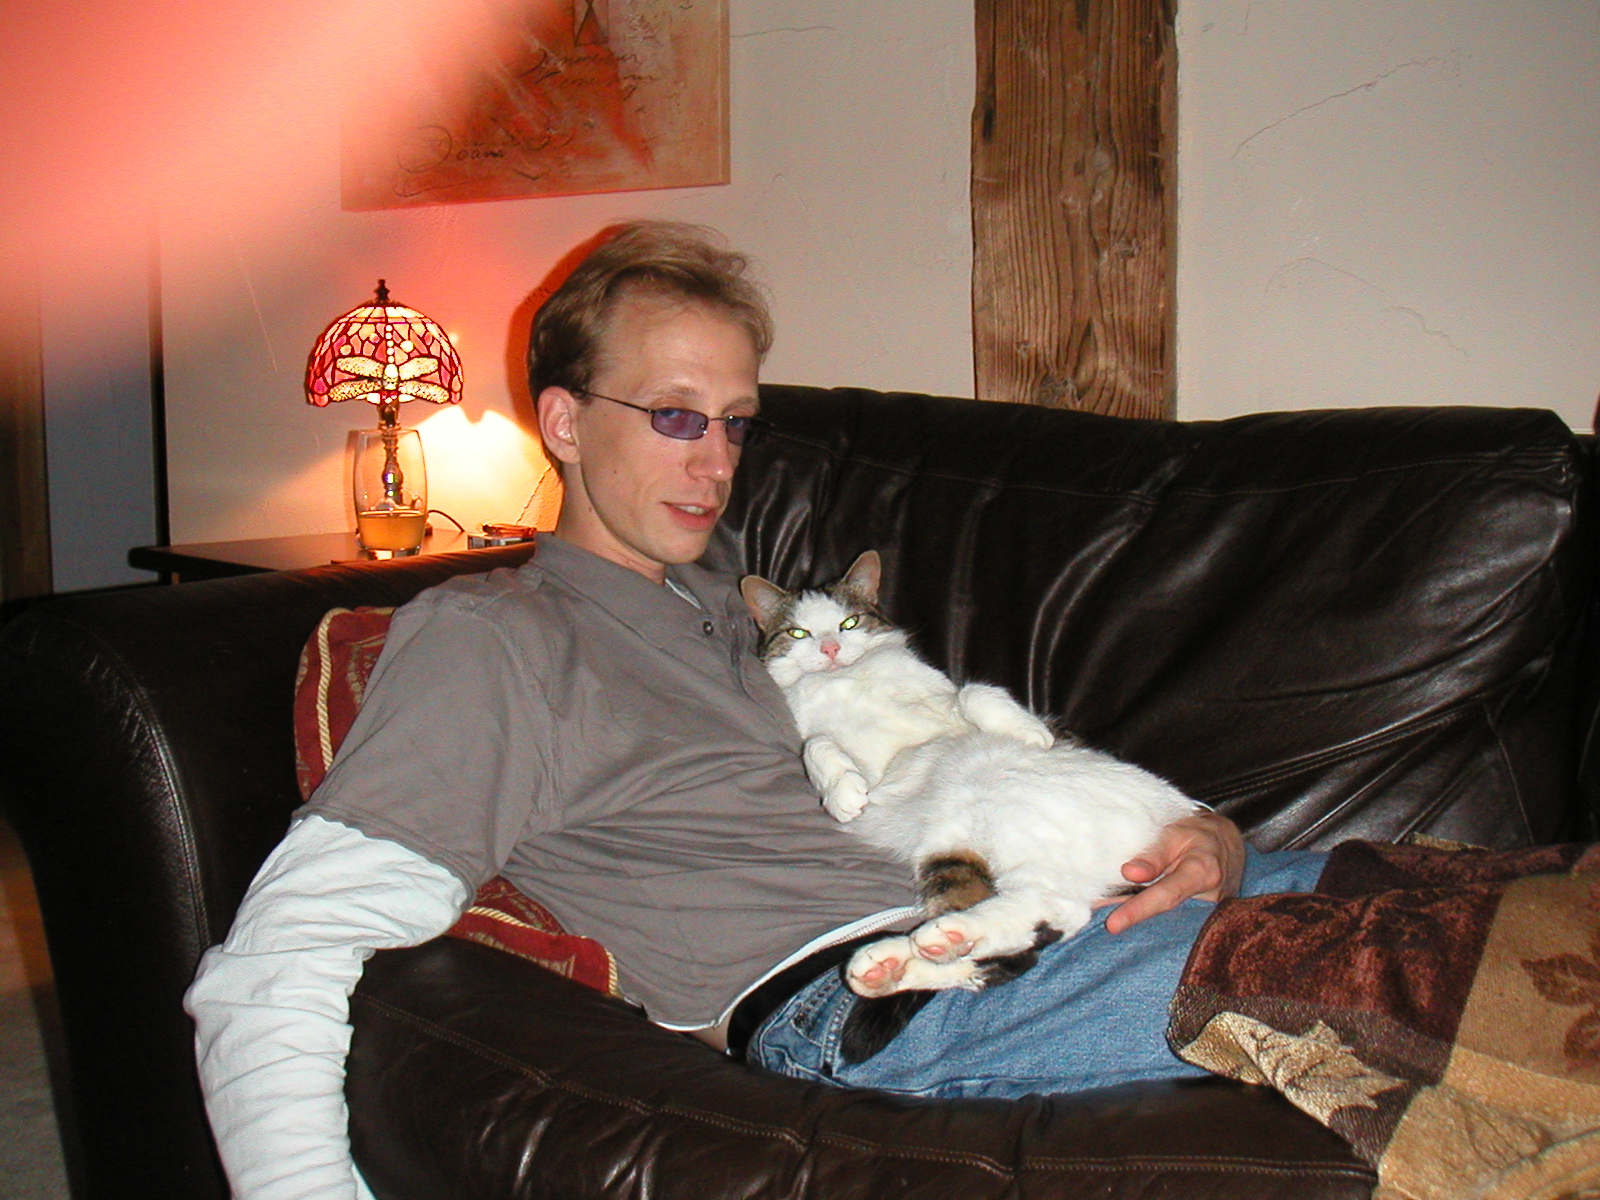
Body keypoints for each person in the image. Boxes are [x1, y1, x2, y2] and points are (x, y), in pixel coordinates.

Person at [185, 221, 1321, 1200]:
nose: (717, 462)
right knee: (1389, 983)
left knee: (1409, 896)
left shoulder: (741, 609)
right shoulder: (491, 637)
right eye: (674, 416)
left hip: (1034, 902)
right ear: (565, 424)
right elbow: (282, 957)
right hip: (883, 995)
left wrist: (1207, 835)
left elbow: (966, 757)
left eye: (735, 422)